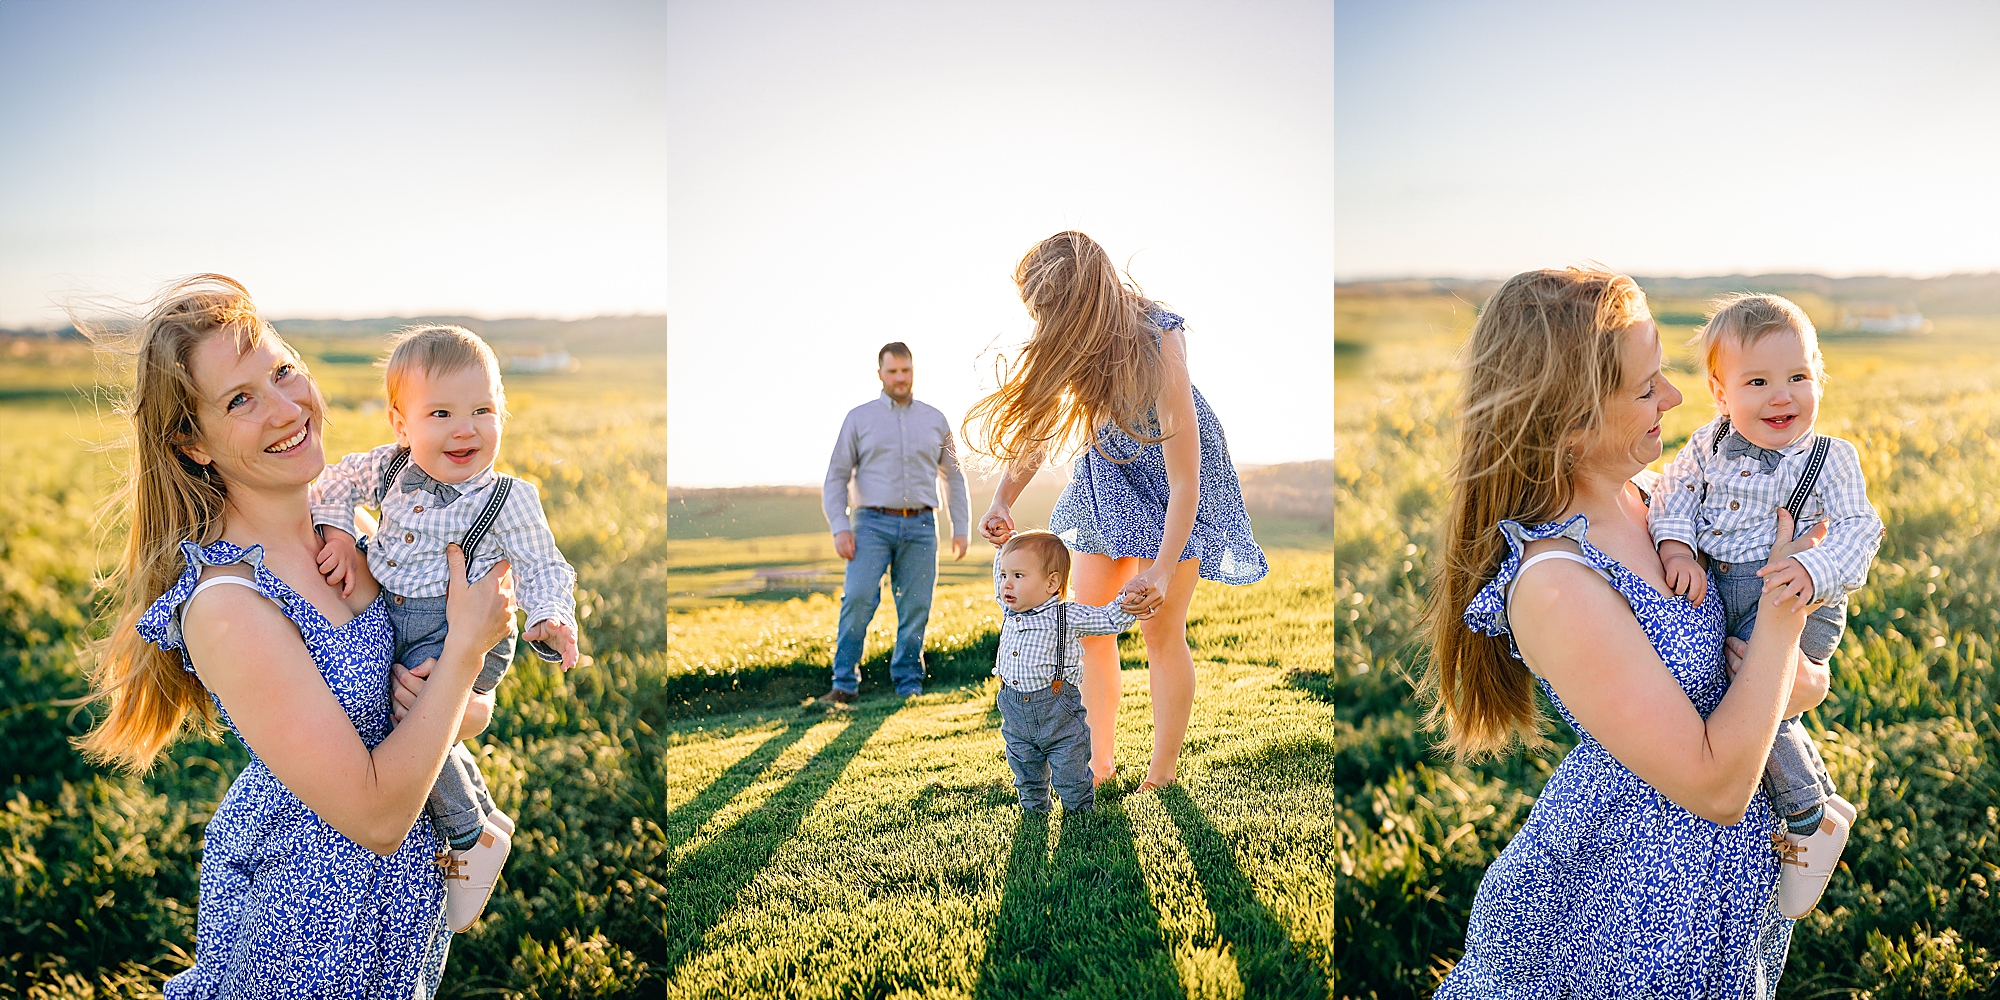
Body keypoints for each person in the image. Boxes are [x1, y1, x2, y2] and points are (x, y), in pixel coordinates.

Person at [73, 276, 514, 995]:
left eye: (282, 371)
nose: (286, 408)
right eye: (240, 399)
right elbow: (374, 815)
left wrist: (457, 697)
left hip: (398, 915)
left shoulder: (357, 535)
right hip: (306, 928)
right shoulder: (229, 604)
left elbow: (454, 713)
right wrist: (465, 649)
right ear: (192, 443)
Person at [1424, 268, 1831, 996]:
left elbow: (1767, 676)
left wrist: (1802, 678)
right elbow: (1715, 786)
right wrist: (1784, 607)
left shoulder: (1655, 501)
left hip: (1715, 897)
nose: (1674, 399)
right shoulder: (1556, 582)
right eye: (1647, 388)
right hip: (1622, 917)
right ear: (1570, 421)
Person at [966, 231, 1267, 793]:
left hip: (1174, 476)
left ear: (1083, 299)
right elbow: (1034, 429)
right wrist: (1004, 497)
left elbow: (1184, 479)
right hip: (1108, 469)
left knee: (1159, 628)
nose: (1043, 323)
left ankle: (1161, 773)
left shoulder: (1159, 341)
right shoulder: (1064, 341)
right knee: (1090, 629)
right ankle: (1097, 766)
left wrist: (1159, 566)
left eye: (1049, 310)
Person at [309, 324, 582, 932]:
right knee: (425, 728)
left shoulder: (509, 496)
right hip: (403, 618)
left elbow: (542, 562)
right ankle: (485, 816)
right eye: (442, 413)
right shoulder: (390, 468)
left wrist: (550, 618)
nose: (466, 428)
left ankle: (468, 838)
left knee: (411, 723)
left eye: (483, 410)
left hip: (458, 626)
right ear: (402, 424)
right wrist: (333, 528)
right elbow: (335, 481)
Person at [1651, 293, 1881, 917]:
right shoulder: (1704, 445)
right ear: (1721, 393)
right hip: (1726, 585)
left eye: (1798, 377)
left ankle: (1807, 815)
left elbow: (1860, 527)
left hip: (1797, 592)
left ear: (1819, 376)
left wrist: (1812, 568)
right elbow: (1671, 494)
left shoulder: (1830, 458)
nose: (1783, 396)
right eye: (1758, 382)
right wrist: (1675, 547)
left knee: (1753, 691)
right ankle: (1817, 806)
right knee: (1749, 695)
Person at [816, 342, 970, 704]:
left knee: (916, 605)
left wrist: (960, 527)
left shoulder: (935, 419)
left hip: (921, 526)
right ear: (880, 374)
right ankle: (844, 684)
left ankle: (908, 684)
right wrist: (839, 526)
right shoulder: (859, 418)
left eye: (906, 371)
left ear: (913, 371)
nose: (900, 378)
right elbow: (836, 476)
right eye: (893, 372)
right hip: (870, 523)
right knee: (857, 598)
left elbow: (953, 477)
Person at [991, 529, 1144, 814]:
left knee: (1070, 773)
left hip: (1058, 712)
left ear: (1052, 583)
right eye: (1003, 576)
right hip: (1014, 712)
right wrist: (1002, 548)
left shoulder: (1067, 615)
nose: (1006, 585)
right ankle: (1034, 812)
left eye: (1018, 576)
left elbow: (1107, 619)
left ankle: (1080, 814)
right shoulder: (1010, 610)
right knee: (1026, 771)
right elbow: (1003, 569)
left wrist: (1128, 600)